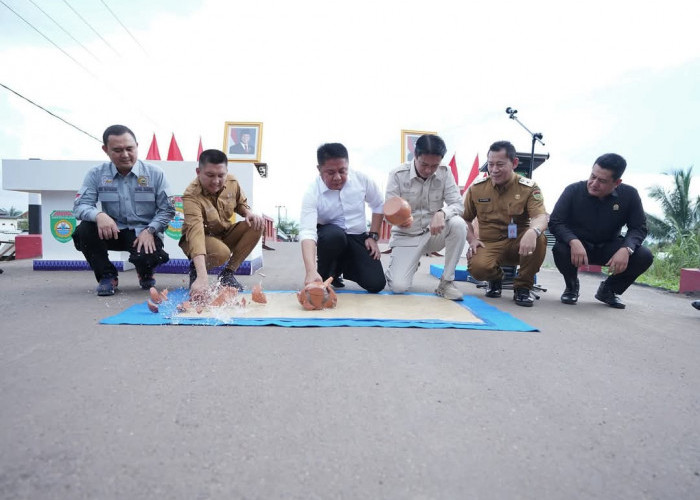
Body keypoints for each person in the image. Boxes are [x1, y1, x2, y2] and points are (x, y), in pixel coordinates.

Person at [72, 125, 174, 297]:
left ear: (137, 146)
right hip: (113, 231)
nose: (125, 155)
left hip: (144, 234)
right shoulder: (96, 174)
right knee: (84, 230)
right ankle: (107, 276)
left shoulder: (155, 173)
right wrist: (99, 215)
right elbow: (80, 206)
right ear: (106, 150)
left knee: (146, 257)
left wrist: (151, 230)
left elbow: (168, 209)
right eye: (117, 150)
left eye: (129, 149)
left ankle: (145, 271)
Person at [548, 153, 654, 309]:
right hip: (578, 247)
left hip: (609, 246)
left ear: (617, 182)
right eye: (593, 176)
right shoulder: (573, 190)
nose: (594, 183)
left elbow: (638, 227)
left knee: (644, 255)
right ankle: (571, 287)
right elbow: (556, 222)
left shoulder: (630, 195)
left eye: (602, 181)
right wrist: (573, 240)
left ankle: (609, 290)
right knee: (560, 248)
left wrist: (626, 249)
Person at [462, 140, 548, 307]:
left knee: (539, 237)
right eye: (491, 164)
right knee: (478, 269)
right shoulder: (477, 189)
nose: (494, 170)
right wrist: (472, 239)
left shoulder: (528, 188)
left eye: (500, 164)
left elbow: (540, 217)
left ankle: (523, 287)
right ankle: (495, 279)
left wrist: (533, 232)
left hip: (518, 243)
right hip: (489, 244)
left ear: (514, 163)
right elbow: (464, 218)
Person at [385, 134, 467, 300]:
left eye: (434, 165)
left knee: (458, 224)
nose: (429, 170)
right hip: (407, 235)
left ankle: (446, 283)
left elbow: (458, 204)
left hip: (433, 233)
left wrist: (442, 213)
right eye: (424, 164)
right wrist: (400, 219)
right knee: (398, 287)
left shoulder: (445, 172)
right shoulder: (397, 175)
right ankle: (410, 263)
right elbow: (388, 213)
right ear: (415, 156)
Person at [299, 142, 385, 292]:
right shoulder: (312, 192)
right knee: (334, 236)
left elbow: (378, 204)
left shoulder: (362, 180)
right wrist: (310, 271)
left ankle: (340, 268)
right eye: (331, 172)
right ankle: (327, 273)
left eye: (342, 171)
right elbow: (307, 232)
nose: (338, 177)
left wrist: (373, 236)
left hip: (357, 236)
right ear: (319, 170)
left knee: (376, 284)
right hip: (331, 236)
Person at [179, 149, 264, 298]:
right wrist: (202, 278)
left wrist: (248, 213)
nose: (216, 181)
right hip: (200, 239)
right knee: (222, 253)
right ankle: (197, 268)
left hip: (223, 234)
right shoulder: (191, 196)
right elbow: (195, 233)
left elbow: (240, 204)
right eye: (210, 175)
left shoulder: (232, 182)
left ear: (226, 172)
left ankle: (228, 274)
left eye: (221, 175)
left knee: (257, 224)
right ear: (198, 172)